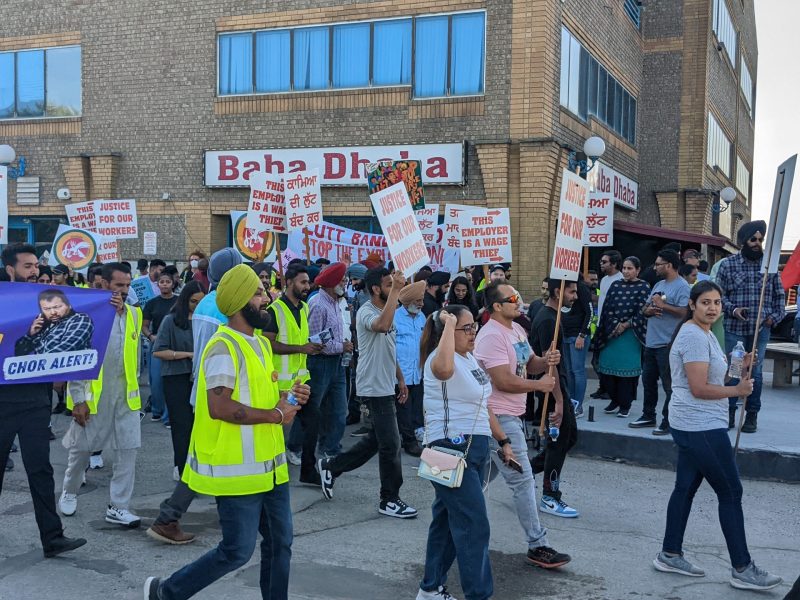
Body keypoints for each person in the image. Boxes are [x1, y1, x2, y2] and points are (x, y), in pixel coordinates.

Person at [144, 264, 311, 600]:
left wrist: (288, 400)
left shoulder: (261, 345)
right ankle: (166, 593)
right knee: (237, 550)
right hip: (240, 474)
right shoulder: (223, 347)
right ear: (238, 302)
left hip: (273, 468)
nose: (266, 297)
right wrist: (275, 414)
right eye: (258, 292)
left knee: (281, 544)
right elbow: (219, 407)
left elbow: (266, 400)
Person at [653, 280, 782, 592]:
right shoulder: (694, 336)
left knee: (685, 488)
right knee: (731, 492)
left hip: (694, 423)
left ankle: (670, 553)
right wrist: (736, 391)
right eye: (705, 302)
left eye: (717, 303)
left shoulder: (705, 334)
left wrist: (741, 366)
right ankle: (742, 568)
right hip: (700, 425)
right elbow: (699, 389)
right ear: (692, 306)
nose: (712, 308)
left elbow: (719, 377)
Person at [474, 282, 574, 566]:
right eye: (513, 298)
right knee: (522, 480)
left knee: (476, 479)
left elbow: (529, 363)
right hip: (499, 417)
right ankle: (538, 543)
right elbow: (503, 380)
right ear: (496, 306)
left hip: (512, 415)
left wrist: (546, 360)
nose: (519, 301)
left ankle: (453, 526)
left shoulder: (516, 329)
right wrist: (539, 386)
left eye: (518, 296)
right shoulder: (491, 336)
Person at [146, 248, 242, 545]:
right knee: (206, 458)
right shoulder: (222, 307)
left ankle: (177, 517)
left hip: (207, 389)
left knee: (213, 457)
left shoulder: (208, 304)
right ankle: (169, 517)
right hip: (218, 392)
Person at [0, 244, 87, 558]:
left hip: (36, 401)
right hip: (3, 403)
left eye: (36, 265)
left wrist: (112, 304)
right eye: (28, 266)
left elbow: (83, 316)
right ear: (10, 269)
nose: (35, 271)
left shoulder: (46, 302)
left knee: (41, 470)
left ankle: (53, 539)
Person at [318, 268, 418, 518]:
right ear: (376, 289)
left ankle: (331, 466)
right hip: (373, 387)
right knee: (392, 444)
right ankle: (389, 499)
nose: (391, 287)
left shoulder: (388, 311)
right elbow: (382, 326)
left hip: (387, 384)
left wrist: (401, 379)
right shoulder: (366, 311)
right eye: (387, 284)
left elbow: (389, 345)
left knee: (377, 440)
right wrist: (397, 289)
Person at [416, 306, 497, 599]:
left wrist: (503, 440)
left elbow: (483, 405)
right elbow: (444, 370)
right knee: (474, 525)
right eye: (467, 328)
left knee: (448, 523)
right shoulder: (440, 359)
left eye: (474, 326)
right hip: (450, 450)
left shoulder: (469, 357)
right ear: (448, 332)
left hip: (474, 449)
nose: (473, 332)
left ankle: (430, 589)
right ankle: (479, 594)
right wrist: (449, 325)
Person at [60, 262, 144, 528]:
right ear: (104, 284)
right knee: (81, 450)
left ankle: (119, 507)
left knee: (128, 450)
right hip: (94, 395)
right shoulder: (87, 314)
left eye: (128, 285)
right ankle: (69, 490)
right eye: (119, 285)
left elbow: (135, 357)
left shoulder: (133, 314)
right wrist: (79, 398)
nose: (124, 290)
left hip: (126, 395)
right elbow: (77, 359)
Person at [716, 220, 785, 433]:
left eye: (760, 240)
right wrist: (733, 309)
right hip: (734, 329)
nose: (757, 243)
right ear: (743, 241)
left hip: (760, 329)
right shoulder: (728, 264)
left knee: (755, 372)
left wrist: (773, 317)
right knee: (735, 370)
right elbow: (718, 295)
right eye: (753, 239)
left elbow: (779, 297)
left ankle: (752, 416)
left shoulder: (769, 266)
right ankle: (728, 414)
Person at [263, 264, 322, 484]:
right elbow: (268, 343)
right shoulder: (274, 310)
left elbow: (300, 340)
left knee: (313, 421)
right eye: (302, 282)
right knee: (277, 426)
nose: (307, 286)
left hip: (301, 380)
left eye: (308, 282)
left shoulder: (305, 308)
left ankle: (308, 469)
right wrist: (301, 348)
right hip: (280, 383)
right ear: (288, 282)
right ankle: (271, 470)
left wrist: (311, 345)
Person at [529, 279, 580, 517]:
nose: (575, 296)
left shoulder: (551, 315)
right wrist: (558, 400)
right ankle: (550, 496)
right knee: (558, 443)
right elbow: (549, 366)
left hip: (557, 388)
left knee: (568, 438)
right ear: (558, 292)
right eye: (572, 291)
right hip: (552, 389)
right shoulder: (549, 319)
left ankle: (525, 472)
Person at [629, 250, 690, 435]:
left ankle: (669, 420)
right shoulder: (658, 285)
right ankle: (648, 415)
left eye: (658, 264)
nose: (655, 267)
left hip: (668, 344)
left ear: (669, 265)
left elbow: (685, 312)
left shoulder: (682, 287)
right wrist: (648, 311)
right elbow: (646, 308)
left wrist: (663, 306)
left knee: (669, 385)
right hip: (651, 342)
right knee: (648, 381)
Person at [152, 281, 205, 485]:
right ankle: (183, 467)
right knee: (182, 425)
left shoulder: (205, 320)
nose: (196, 306)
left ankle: (197, 465)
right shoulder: (171, 320)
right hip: (176, 377)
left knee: (199, 425)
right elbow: (158, 350)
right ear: (185, 300)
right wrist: (187, 355)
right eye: (193, 302)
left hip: (199, 378)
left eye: (200, 302)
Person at [594, 257, 650, 417]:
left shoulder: (643, 287)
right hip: (612, 333)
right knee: (607, 370)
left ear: (638, 270)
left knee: (627, 372)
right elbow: (607, 308)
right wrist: (615, 326)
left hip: (632, 335)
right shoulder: (615, 285)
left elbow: (643, 311)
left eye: (630, 268)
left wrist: (626, 325)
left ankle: (625, 405)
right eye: (624, 268)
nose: (626, 271)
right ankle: (614, 400)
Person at [394, 280, 426, 457]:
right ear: (407, 301)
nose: (421, 304)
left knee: (414, 407)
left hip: (417, 372)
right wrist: (399, 376)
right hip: (401, 373)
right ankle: (409, 442)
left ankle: (410, 435)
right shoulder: (394, 317)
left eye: (422, 300)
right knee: (403, 408)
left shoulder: (421, 317)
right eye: (418, 300)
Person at [143, 272, 178, 424]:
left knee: (170, 380)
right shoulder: (152, 303)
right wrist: (150, 336)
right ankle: (157, 409)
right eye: (162, 282)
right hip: (156, 344)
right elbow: (144, 326)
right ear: (158, 284)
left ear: (173, 284)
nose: (164, 284)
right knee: (156, 380)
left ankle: (168, 415)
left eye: (167, 281)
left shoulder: (179, 302)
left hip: (174, 344)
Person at [15, 288, 94, 355]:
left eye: (57, 307)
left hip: (71, 372)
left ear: (69, 305)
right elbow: (19, 353)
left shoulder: (80, 319)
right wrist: (30, 335)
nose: (53, 312)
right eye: (47, 309)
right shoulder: (44, 324)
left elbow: (64, 349)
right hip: (44, 372)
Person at [560, 276, 593, 418]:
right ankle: (571, 402)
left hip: (577, 335)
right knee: (568, 371)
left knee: (577, 370)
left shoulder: (581, 287)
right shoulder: (561, 285)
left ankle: (578, 406)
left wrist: (582, 335)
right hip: (565, 335)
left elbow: (590, 312)